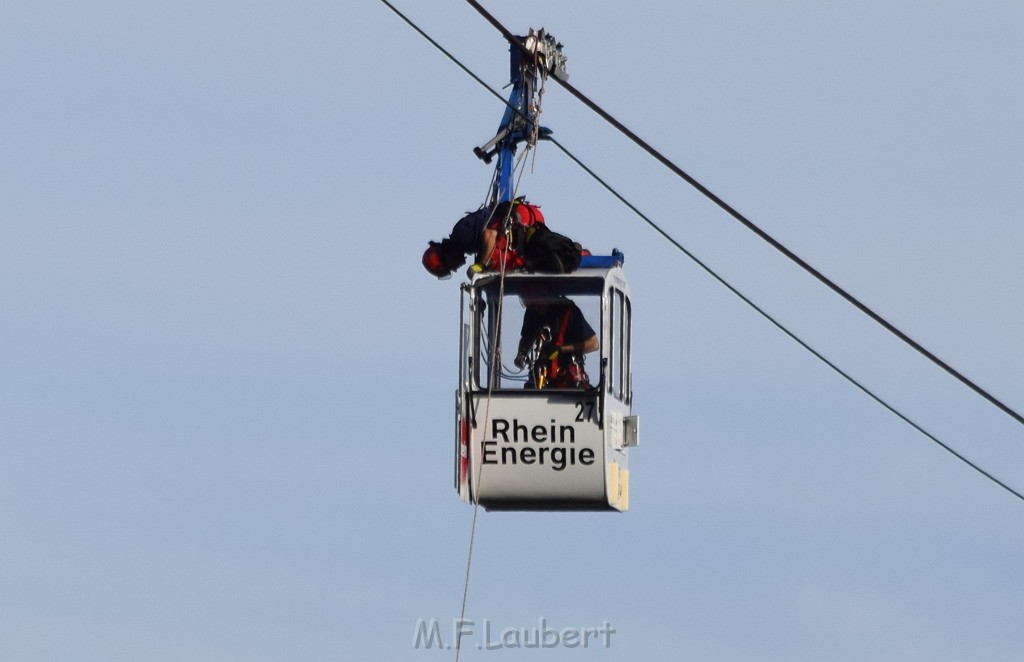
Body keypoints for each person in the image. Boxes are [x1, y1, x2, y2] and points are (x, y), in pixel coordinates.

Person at [421, 200, 545, 279]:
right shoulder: (466, 241)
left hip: (523, 220)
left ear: (447, 255)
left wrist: (481, 265)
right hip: (529, 223)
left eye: (450, 266)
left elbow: (490, 233)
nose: (454, 268)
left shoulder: (462, 236)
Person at [515, 291, 599, 389]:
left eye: (537, 304)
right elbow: (527, 337)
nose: (535, 308)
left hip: (567, 373)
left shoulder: (569, 312)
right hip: (544, 370)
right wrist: (522, 353)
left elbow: (593, 344)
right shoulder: (532, 312)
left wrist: (562, 349)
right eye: (530, 304)